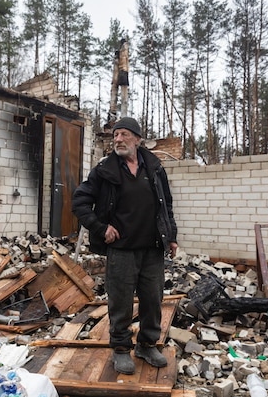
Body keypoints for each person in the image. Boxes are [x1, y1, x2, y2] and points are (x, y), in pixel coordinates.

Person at [72, 116, 178, 375]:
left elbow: (167, 205)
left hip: (152, 249)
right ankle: (121, 349)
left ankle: (147, 345)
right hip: (121, 250)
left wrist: (171, 236)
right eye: (115, 135)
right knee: (120, 302)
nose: (118, 139)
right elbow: (80, 202)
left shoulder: (154, 168)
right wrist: (100, 228)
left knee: (153, 300)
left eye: (124, 134)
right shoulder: (104, 171)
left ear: (138, 139)